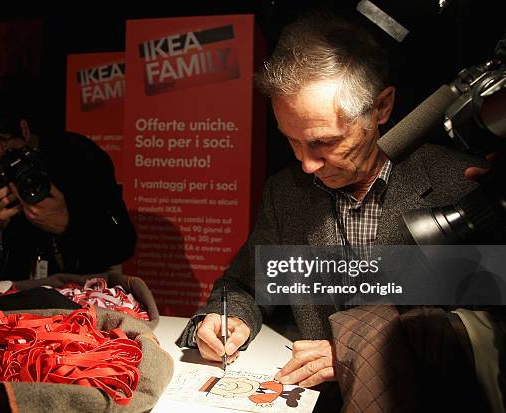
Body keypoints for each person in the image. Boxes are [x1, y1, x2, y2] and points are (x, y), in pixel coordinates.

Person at [177, 11, 486, 402]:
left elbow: (487, 331)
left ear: (382, 108)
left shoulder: (462, 185)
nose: (306, 165)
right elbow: (246, 285)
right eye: (292, 141)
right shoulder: (287, 192)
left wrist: (358, 354)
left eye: (324, 142)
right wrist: (230, 316)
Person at [0, 88, 136, 292]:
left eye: (14, 156)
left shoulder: (76, 157)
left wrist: (67, 225)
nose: (8, 172)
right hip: (1, 310)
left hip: (73, 303)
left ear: (24, 130)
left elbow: (122, 244)